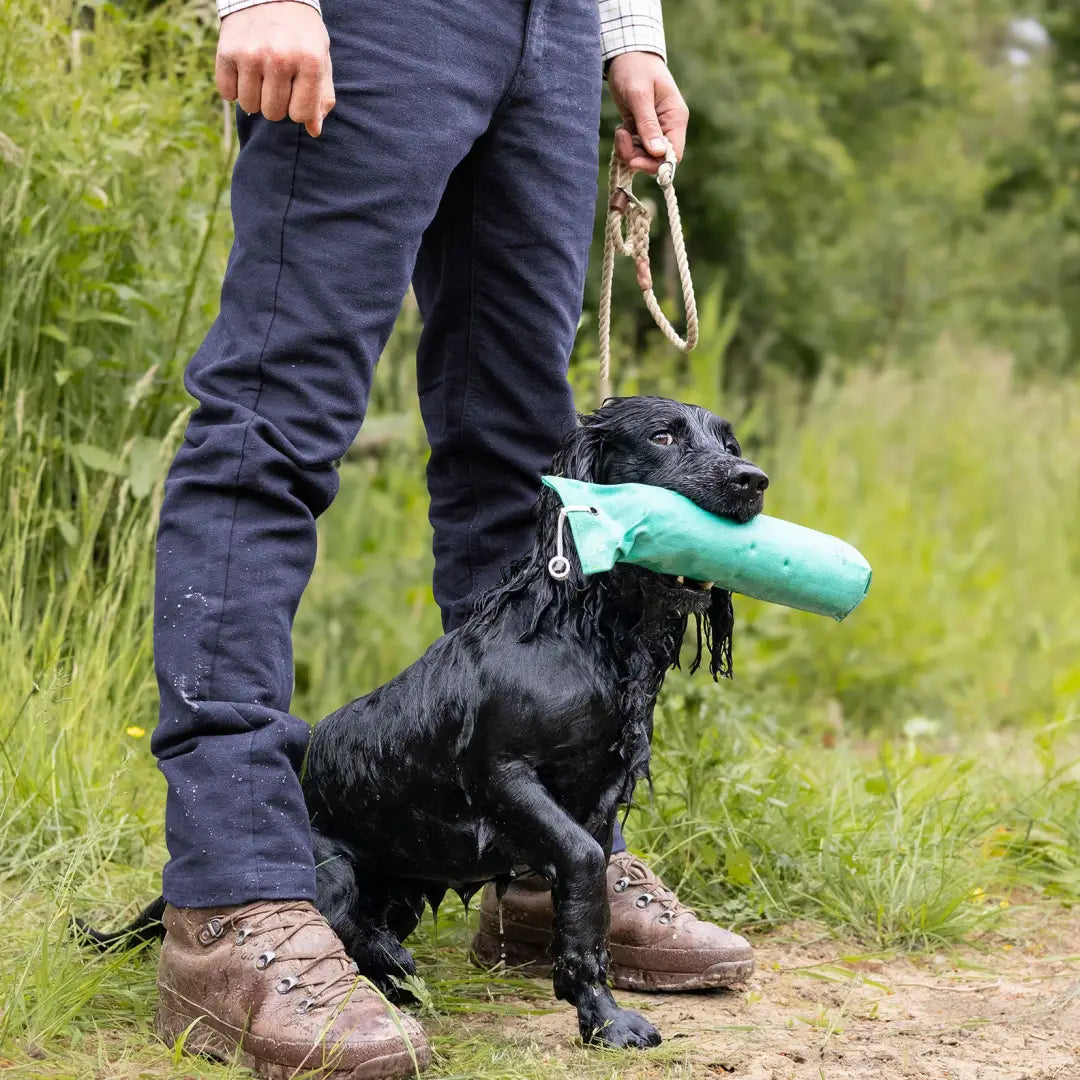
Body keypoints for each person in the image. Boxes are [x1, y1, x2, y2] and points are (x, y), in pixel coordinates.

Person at [149, 0, 754, 1074]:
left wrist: (627, 33)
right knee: (270, 423)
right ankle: (233, 892)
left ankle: (542, 872)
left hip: (552, 31)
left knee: (525, 450)